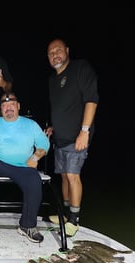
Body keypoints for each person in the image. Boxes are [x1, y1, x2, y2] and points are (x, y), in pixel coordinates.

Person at [0, 91, 50, 243]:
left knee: (34, 181)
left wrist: (36, 157)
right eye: (5, 105)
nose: (8, 107)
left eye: (12, 104)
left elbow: (44, 144)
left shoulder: (30, 125)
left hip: (22, 167)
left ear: (18, 106)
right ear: (1, 109)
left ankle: (27, 225)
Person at [45, 38, 99, 237]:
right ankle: (65, 214)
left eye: (58, 50)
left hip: (78, 137)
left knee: (72, 175)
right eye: (51, 53)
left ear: (67, 50)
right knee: (63, 177)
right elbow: (60, 108)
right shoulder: (52, 80)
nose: (55, 55)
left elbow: (91, 100)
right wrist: (53, 127)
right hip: (60, 138)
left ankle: (74, 220)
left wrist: (84, 131)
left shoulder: (80, 68)